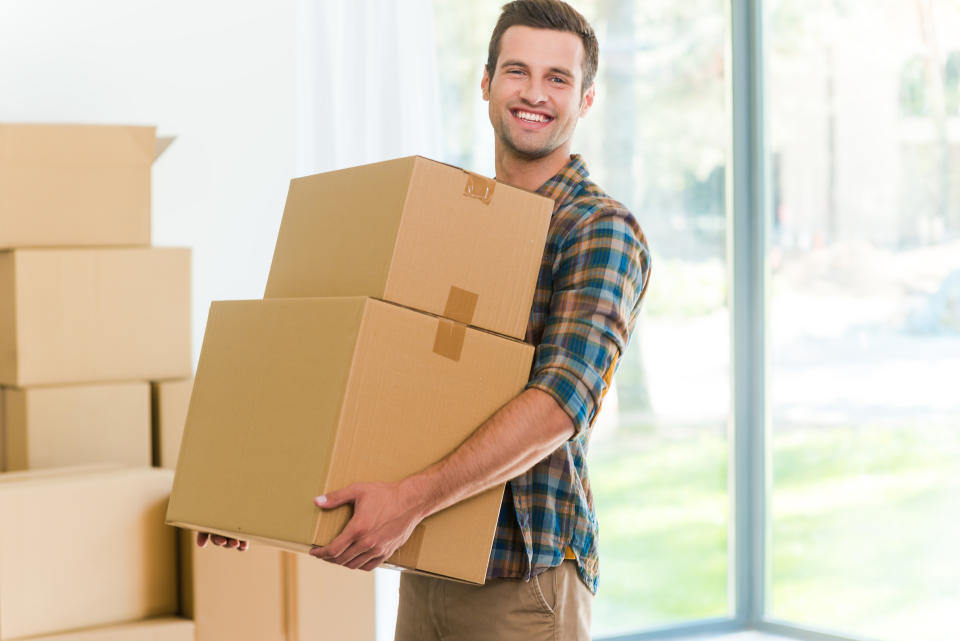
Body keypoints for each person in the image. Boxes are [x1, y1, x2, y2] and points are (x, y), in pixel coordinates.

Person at [199, 1, 650, 638]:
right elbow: (377, 367)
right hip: (432, 559)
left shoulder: (599, 228)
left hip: (522, 582)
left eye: (558, 79)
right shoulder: (455, 219)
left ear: (587, 100)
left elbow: (560, 404)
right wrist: (255, 491)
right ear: (486, 82)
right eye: (517, 71)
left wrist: (408, 502)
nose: (534, 94)